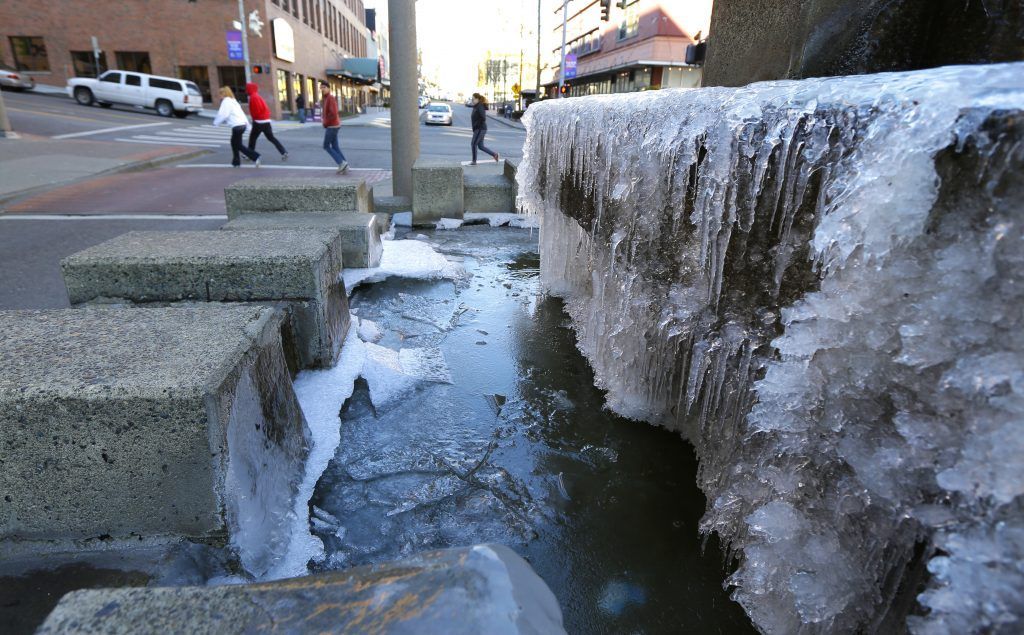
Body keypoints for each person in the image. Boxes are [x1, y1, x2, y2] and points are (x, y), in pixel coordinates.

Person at [213, 86, 260, 168]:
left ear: (224, 94)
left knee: (238, 145)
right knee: (234, 143)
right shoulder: (234, 101)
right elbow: (242, 114)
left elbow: (223, 114)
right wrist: (248, 125)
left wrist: (216, 123)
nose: (219, 96)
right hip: (242, 125)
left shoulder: (226, 101)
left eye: (220, 94)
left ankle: (255, 156)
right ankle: (236, 162)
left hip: (237, 126)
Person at [245, 83, 288, 161]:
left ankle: (249, 155)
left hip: (258, 122)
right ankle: (283, 152)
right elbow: (265, 109)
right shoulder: (258, 96)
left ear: (250, 89)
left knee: (252, 139)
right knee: (271, 138)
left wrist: (254, 119)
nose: (246, 90)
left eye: (247, 89)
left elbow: (256, 111)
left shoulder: (253, 97)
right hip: (266, 121)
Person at [320, 82, 348, 174]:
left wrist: (325, 123)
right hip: (334, 125)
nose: (322, 89)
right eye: (321, 88)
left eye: (324, 87)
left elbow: (333, 113)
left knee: (326, 146)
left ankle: (341, 163)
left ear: (328, 88)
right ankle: (345, 164)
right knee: (335, 146)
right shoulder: (326, 98)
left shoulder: (330, 98)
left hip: (331, 126)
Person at [470, 93, 500, 165]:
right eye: (472, 99)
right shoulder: (476, 106)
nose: (472, 100)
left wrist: (477, 125)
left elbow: (483, 117)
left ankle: (474, 161)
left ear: (477, 99)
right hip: (479, 129)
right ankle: (495, 155)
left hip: (480, 128)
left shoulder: (479, 106)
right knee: (480, 146)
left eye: (473, 99)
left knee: (473, 144)